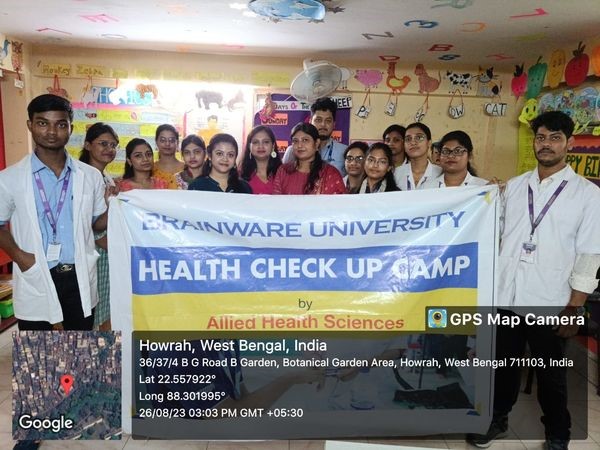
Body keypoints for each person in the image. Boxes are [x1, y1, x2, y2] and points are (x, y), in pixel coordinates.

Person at [466, 111, 600, 450]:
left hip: (551, 299)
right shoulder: (514, 186)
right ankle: (497, 419)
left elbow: (589, 255)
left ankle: (558, 433)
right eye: (541, 137)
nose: (546, 144)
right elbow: (491, 228)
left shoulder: (587, 195)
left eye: (555, 138)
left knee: (551, 375)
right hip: (507, 295)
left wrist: (574, 308)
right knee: (503, 367)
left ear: (570, 143)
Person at [0, 94, 109, 450]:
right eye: (43, 123)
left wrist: (124, 205)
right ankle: (32, 433)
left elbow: (96, 223)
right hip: (37, 272)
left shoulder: (90, 177)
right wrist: (20, 256)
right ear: (31, 125)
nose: (52, 131)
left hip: (78, 274)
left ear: (70, 128)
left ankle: (69, 415)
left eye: (60, 123)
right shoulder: (11, 178)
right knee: (36, 353)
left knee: (77, 348)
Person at [79, 122, 119, 331]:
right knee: (93, 312)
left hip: (106, 254)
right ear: (87, 145)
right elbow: (85, 222)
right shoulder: (82, 176)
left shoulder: (105, 177)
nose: (109, 149)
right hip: (94, 251)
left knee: (106, 311)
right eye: (103, 143)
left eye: (113, 145)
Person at [273, 122, 345, 195]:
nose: (299, 145)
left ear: (316, 143)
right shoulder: (283, 171)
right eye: (295, 141)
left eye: (305, 140)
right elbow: (277, 203)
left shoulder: (330, 173)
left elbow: (340, 204)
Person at [282, 97, 347, 175]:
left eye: (328, 121)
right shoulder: (293, 151)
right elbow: (283, 179)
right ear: (310, 121)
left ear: (334, 125)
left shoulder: (344, 152)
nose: (323, 124)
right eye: (318, 120)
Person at [393, 122, 442, 190]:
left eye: (419, 137)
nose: (413, 142)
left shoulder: (440, 173)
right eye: (408, 139)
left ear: (429, 143)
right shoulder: (396, 173)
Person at [240, 125, 281, 194]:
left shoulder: (283, 173)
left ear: (273, 146)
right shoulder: (240, 175)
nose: (260, 146)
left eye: (266, 142)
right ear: (249, 147)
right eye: (255, 142)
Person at [153, 124, 181, 188]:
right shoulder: (149, 169)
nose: (167, 144)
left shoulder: (186, 168)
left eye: (171, 140)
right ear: (156, 142)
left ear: (177, 142)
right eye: (163, 140)